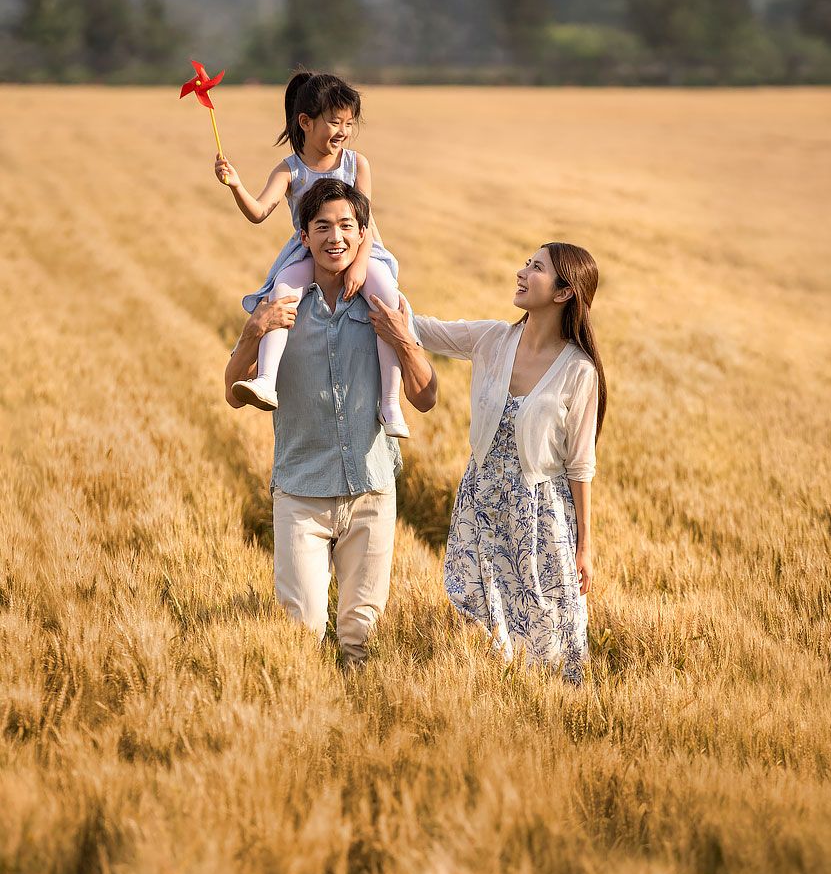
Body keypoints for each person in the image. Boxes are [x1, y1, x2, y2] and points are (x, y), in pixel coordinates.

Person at [369, 243, 606, 684]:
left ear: (563, 293)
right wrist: (367, 260)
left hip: (539, 514)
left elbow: (580, 464)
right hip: (480, 499)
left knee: (547, 630)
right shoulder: (492, 338)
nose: (522, 272)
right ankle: (488, 699)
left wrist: (585, 545)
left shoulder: (580, 371)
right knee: (479, 617)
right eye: (526, 262)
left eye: (536, 268)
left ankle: (548, 714)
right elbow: (419, 330)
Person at [225, 177, 436, 666]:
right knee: (302, 631)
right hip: (302, 492)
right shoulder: (281, 308)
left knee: (361, 638)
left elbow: (426, 398)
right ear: (303, 237)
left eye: (346, 226)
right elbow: (232, 392)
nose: (334, 237)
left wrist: (403, 340)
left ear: (364, 236)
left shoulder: (386, 304)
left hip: (371, 490)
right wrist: (252, 331)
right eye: (322, 226)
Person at [215, 70, 410, 438]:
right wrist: (236, 184)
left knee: (385, 296)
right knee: (283, 289)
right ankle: (266, 381)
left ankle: (390, 403)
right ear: (306, 122)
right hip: (309, 251)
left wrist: (360, 267)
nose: (343, 131)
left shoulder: (357, 163)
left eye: (349, 123)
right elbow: (258, 212)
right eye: (335, 122)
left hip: (363, 248)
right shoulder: (290, 170)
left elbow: (365, 223)